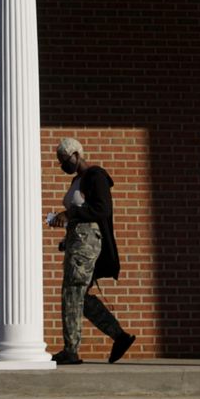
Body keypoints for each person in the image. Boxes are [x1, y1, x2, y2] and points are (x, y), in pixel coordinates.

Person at [48, 137, 136, 365]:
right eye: (60, 162)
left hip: (87, 244)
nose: (63, 165)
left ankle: (71, 351)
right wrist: (67, 236)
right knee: (81, 299)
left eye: (65, 160)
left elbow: (101, 209)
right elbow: (81, 212)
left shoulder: (95, 176)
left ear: (77, 154)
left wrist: (70, 214)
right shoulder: (78, 180)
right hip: (77, 243)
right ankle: (120, 336)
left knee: (72, 293)